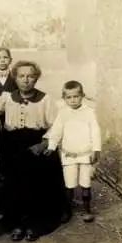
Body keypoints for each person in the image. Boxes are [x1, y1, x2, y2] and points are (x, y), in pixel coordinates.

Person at [0, 60, 67, 242]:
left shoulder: (45, 100)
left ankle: (36, 224)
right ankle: (17, 223)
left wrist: (44, 144)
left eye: (30, 76)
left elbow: (57, 127)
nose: (26, 80)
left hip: (36, 144)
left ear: (36, 78)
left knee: (36, 182)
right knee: (14, 181)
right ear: (16, 78)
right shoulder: (8, 97)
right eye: (22, 76)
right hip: (13, 144)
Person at [44, 80, 101, 222]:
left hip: (85, 154)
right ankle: (67, 210)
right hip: (69, 155)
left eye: (76, 96)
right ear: (64, 99)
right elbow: (56, 132)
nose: (73, 100)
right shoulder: (63, 114)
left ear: (82, 96)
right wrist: (51, 147)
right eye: (69, 97)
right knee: (69, 184)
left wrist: (96, 149)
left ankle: (87, 209)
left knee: (85, 183)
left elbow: (95, 131)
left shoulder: (89, 113)